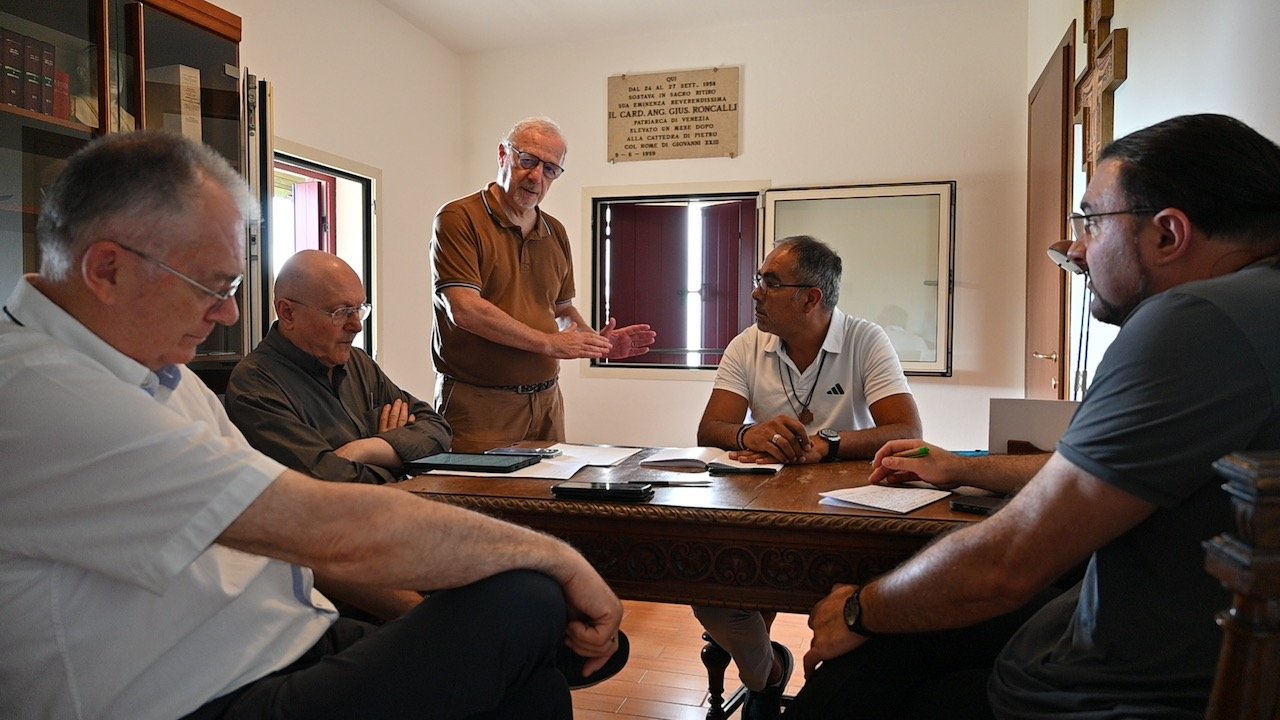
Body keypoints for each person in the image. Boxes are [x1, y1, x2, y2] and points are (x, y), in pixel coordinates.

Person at [0, 129, 623, 720]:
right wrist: (558, 560)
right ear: (108, 270)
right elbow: (325, 523)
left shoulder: (165, 373)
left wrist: (378, 459)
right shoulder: (39, 392)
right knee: (525, 602)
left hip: (288, 634)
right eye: (212, 285)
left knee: (531, 675)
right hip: (202, 691)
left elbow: (397, 455)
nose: (228, 313)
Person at [785, 113, 1280, 719]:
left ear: (1168, 234)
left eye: (1091, 222)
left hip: (1112, 692)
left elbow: (1008, 563)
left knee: (863, 673)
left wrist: (859, 608)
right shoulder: (1256, 307)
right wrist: (960, 466)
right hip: (1184, 655)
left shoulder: (1194, 322)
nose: (1075, 250)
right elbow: (1088, 478)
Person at [693, 235, 923, 719]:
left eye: (770, 283)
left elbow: (907, 431)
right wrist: (748, 433)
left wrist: (828, 444)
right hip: (762, 504)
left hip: (847, 511)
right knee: (711, 591)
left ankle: (796, 687)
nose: (755, 292)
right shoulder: (747, 344)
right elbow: (709, 429)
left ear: (810, 298)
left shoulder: (865, 339)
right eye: (759, 280)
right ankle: (767, 674)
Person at [430, 116, 656, 451]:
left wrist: (594, 342)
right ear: (503, 154)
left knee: (551, 485)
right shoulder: (459, 218)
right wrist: (549, 343)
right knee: (475, 488)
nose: (537, 176)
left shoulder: (555, 231)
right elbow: (464, 309)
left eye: (550, 169)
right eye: (528, 161)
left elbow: (561, 309)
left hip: (547, 401)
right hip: (479, 406)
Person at [226, 249, 451, 486]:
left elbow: (438, 432)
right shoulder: (255, 386)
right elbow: (327, 482)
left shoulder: (358, 363)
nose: (357, 326)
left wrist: (367, 448)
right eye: (342, 312)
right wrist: (398, 460)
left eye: (359, 310)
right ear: (288, 313)